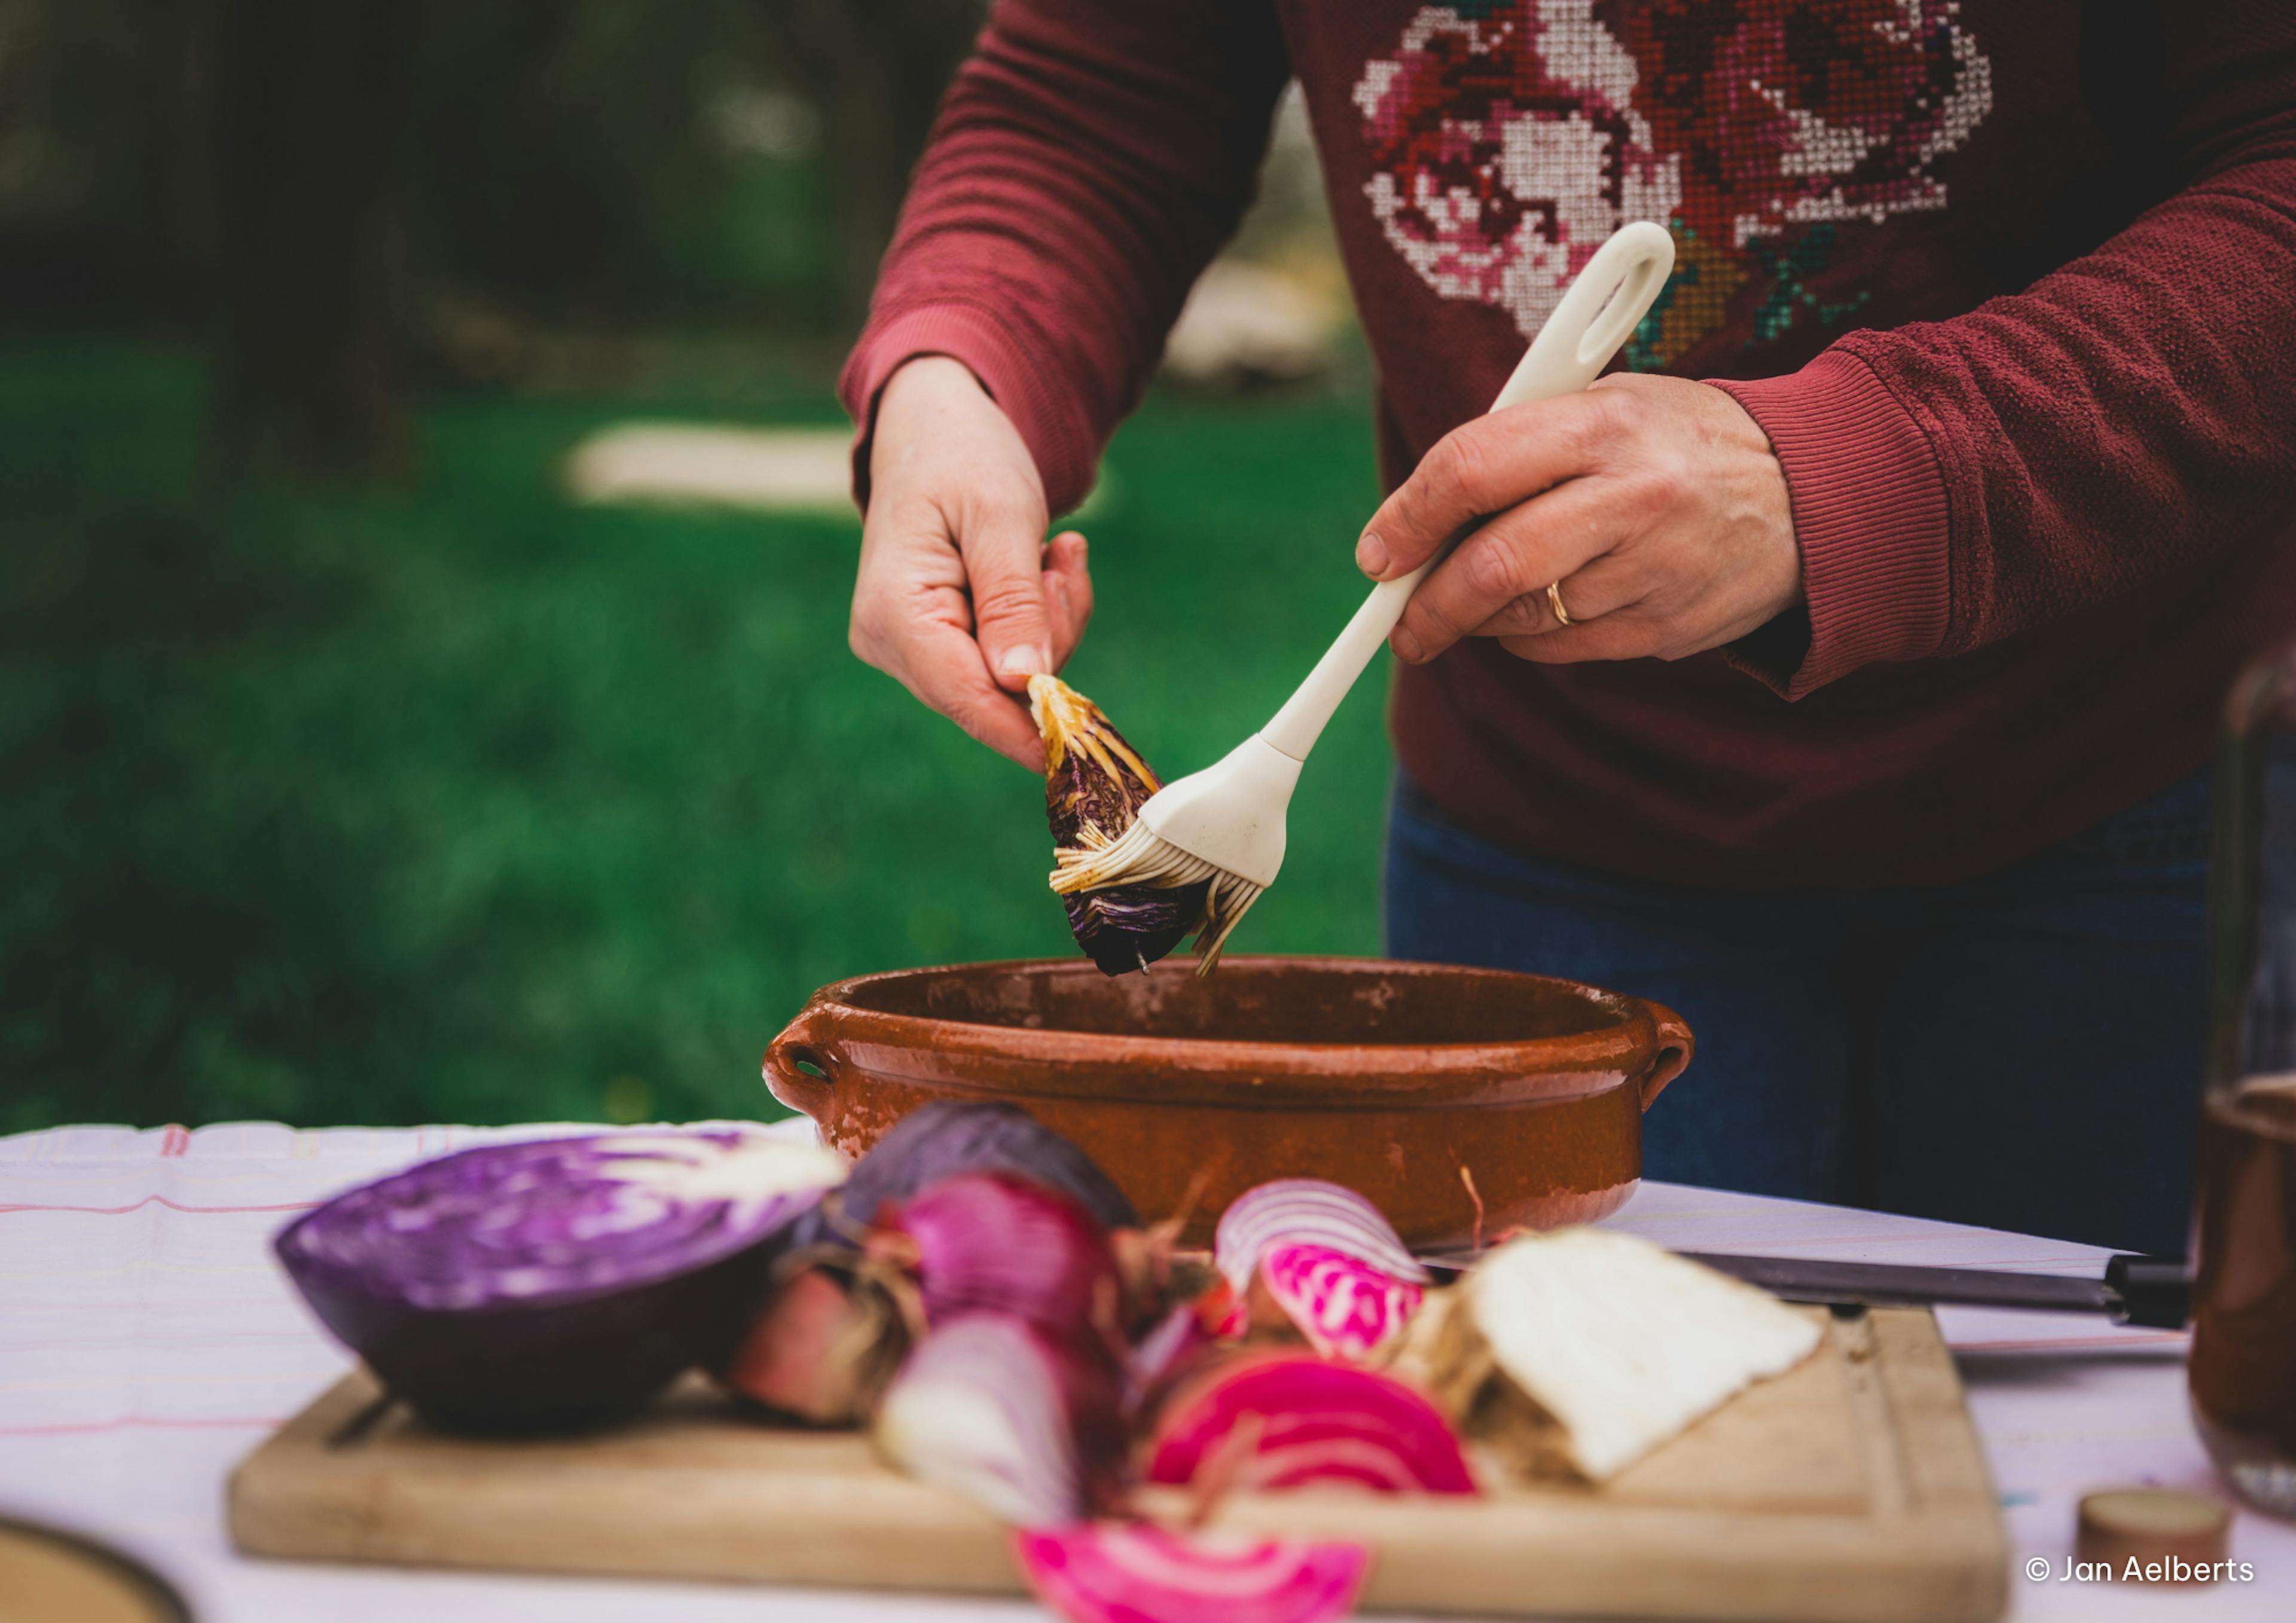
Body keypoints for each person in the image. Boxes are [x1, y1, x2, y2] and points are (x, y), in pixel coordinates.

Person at [837, 1, 2296, 1255]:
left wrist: (1860, 472)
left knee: (2101, 1524)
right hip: (1557, 827)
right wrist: (960, 367)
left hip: (2126, 786)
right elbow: (1099, 99)